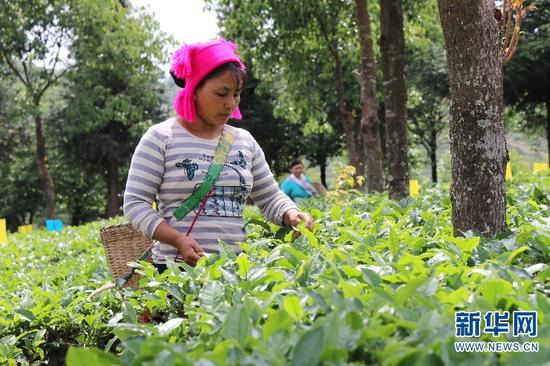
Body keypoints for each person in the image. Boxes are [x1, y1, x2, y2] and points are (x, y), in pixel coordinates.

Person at [123, 39, 314, 272]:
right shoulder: (161, 137)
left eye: (236, 94)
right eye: (222, 93)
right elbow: (135, 204)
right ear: (194, 90)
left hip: (236, 269)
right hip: (177, 270)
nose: (230, 104)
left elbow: (270, 197)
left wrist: (292, 214)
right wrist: (177, 239)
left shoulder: (244, 141)